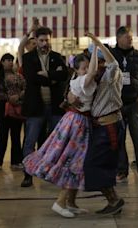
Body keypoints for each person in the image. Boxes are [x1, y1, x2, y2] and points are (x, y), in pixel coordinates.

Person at [23, 39, 99, 218]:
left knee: (77, 162)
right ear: (78, 70)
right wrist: (96, 49)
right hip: (78, 124)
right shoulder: (81, 81)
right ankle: (60, 201)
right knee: (73, 162)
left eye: (87, 67)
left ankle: (71, 202)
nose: (87, 70)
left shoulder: (76, 81)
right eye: (83, 68)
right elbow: (92, 74)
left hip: (77, 122)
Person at [77, 33, 125, 215]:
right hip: (101, 126)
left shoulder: (111, 73)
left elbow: (113, 63)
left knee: (95, 164)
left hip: (110, 126)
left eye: (95, 61)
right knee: (97, 164)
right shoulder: (95, 79)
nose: (93, 66)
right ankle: (113, 199)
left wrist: (97, 45)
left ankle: (114, 199)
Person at [20, 26, 69, 187]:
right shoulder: (28, 58)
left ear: (50, 39)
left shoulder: (57, 57)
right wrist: (52, 78)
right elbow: (30, 77)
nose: (44, 43)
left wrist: (46, 74)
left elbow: (64, 75)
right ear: (36, 40)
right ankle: (28, 174)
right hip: (36, 107)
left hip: (55, 107)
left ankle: (52, 173)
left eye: (46, 40)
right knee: (30, 142)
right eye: (41, 40)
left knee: (57, 143)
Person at [111, 26, 138, 183]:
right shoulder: (111, 56)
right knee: (119, 139)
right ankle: (122, 171)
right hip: (117, 104)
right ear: (118, 38)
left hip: (135, 103)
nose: (130, 39)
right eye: (127, 37)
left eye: (131, 37)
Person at [0, 53, 25, 171]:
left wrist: (19, 96)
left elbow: (25, 88)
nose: (10, 62)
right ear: (2, 62)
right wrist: (9, 97)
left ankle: (16, 161)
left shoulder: (18, 76)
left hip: (17, 107)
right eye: (7, 60)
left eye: (11, 60)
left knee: (16, 135)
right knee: (2, 135)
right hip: (3, 106)